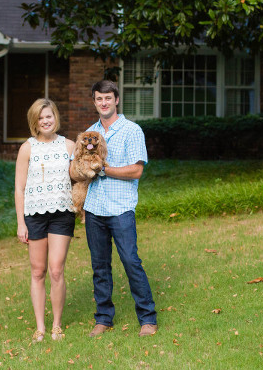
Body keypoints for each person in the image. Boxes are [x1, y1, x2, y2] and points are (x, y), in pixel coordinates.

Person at [81, 80, 157, 338]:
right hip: (94, 210)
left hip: (121, 209)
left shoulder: (131, 130)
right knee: (99, 266)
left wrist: (104, 169)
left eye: (108, 98)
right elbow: (77, 169)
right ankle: (103, 318)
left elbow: (137, 170)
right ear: (94, 102)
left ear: (116, 100)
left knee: (130, 261)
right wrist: (80, 169)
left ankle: (148, 318)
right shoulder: (88, 134)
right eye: (99, 99)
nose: (104, 103)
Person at [15, 98, 77, 342]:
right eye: (41, 118)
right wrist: (21, 223)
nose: (46, 121)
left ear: (55, 118)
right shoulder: (27, 149)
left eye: (49, 116)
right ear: (35, 122)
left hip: (62, 213)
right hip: (34, 215)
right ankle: (40, 326)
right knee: (38, 271)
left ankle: (57, 325)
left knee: (56, 269)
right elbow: (19, 189)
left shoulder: (69, 146)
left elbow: (80, 176)